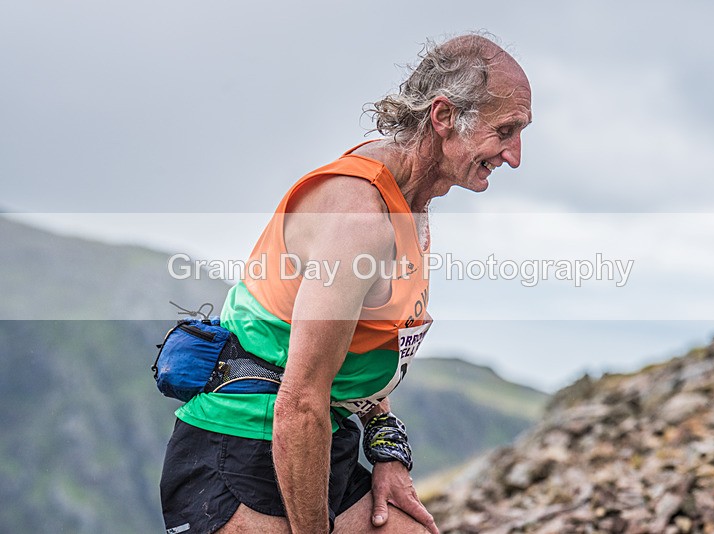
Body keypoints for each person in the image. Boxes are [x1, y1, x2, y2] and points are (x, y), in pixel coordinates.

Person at [160, 32, 531, 534]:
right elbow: (300, 399)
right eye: (505, 130)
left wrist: (386, 446)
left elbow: (371, 337)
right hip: (244, 443)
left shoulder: (408, 192)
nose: (514, 155)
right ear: (443, 117)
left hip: (321, 439)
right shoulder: (360, 219)